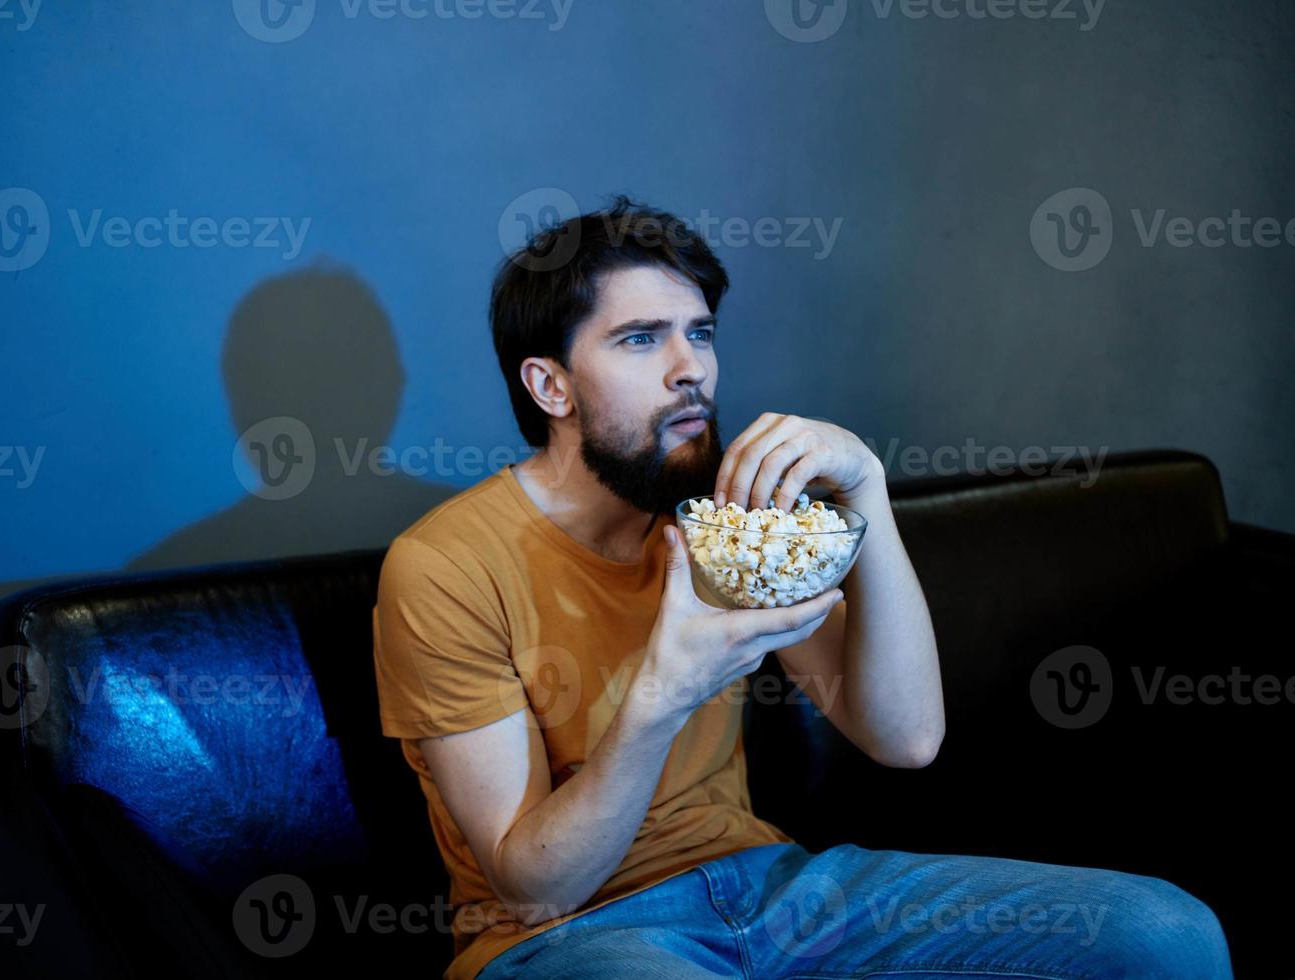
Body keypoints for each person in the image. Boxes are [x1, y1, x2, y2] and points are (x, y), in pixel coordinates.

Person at [371, 194, 1234, 979]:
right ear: (549, 384)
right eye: (641, 338)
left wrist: (867, 495)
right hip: (572, 939)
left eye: (699, 333)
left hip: (775, 891)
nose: (691, 369)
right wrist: (663, 695)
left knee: (1163, 934)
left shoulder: (726, 515)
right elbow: (533, 891)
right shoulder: (445, 566)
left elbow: (906, 739)